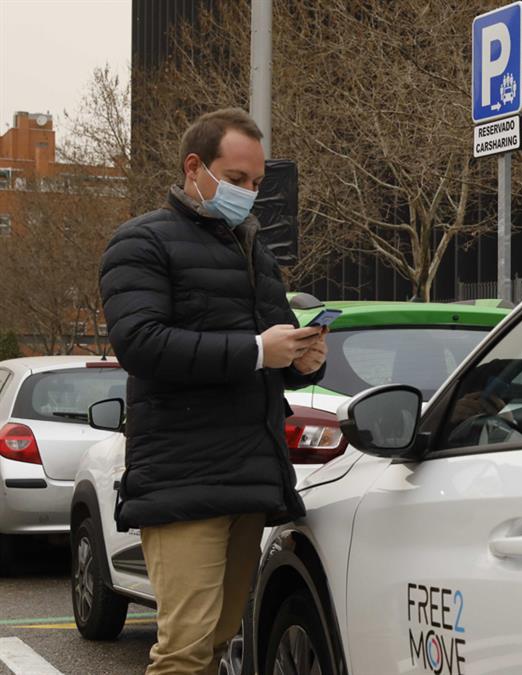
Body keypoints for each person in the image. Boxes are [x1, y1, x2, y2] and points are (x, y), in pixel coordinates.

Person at [99, 108, 327, 675]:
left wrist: (303, 361)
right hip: (183, 479)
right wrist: (256, 350)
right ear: (194, 167)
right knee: (184, 649)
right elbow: (141, 343)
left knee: (220, 639)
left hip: (248, 475)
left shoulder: (255, 251)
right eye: (236, 179)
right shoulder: (141, 241)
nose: (249, 194)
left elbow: (272, 357)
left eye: (256, 183)